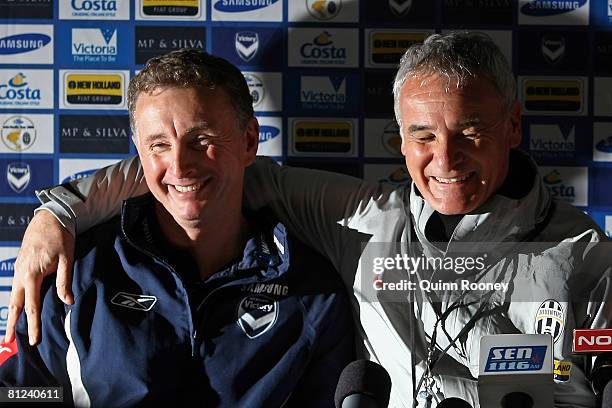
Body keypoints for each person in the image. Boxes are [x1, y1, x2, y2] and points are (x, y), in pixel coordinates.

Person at [6, 33, 611, 407]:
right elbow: (187, 175)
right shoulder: (365, 220)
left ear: (513, 125)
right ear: (400, 142)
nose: (445, 159)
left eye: (470, 131)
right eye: (423, 134)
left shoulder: (586, 255)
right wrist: (58, 209)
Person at [0, 49, 355, 407]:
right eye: (159, 146)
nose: (180, 166)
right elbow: (19, 393)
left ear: (249, 142)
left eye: (201, 141)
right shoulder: (76, 272)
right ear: (139, 151)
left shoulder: (313, 289)